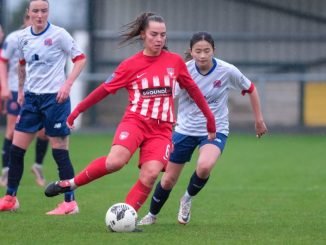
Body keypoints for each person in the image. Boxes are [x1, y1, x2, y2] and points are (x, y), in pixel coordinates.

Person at [44, 13, 216, 214]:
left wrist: (210, 119)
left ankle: (125, 216)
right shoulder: (130, 65)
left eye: (163, 35)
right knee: (115, 162)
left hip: (161, 129)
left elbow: (194, 90)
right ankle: (71, 184)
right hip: (135, 122)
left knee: (151, 174)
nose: (159, 39)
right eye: (154, 34)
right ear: (143, 34)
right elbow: (103, 90)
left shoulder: (175, 62)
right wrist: (77, 111)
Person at [138, 31, 268, 226]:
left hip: (215, 129)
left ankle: (187, 199)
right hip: (184, 130)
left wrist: (259, 120)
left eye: (207, 51)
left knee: (205, 166)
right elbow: (167, 96)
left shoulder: (227, 70)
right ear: (191, 51)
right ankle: (152, 215)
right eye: (198, 51)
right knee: (167, 180)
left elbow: (250, 88)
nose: (202, 55)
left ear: (213, 50)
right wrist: (165, 119)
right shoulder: (184, 70)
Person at [0, 0, 87, 215]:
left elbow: (80, 59)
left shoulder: (60, 35)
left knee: (60, 151)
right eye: (36, 11)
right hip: (31, 99)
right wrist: (20, 91)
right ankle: (11, 198)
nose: (40, 15)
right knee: (16, 149)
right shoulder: (22, 38)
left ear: (48, 12)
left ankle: (70, 203)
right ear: (28, 13)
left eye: (44, 11)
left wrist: (67, 85)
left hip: (55, 100)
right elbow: (21, 64)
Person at [0, 13, 49, 188]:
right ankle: (6, 171)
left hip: (39, 92)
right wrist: (4, 87)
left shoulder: (48, 37)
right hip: (15, 89)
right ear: (25, 19)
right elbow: (2, 62)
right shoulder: (14, 38)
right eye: (29, 16)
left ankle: (37, 166)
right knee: (12, 131)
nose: (35, 19)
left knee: (45, 132)